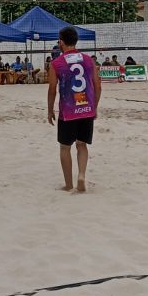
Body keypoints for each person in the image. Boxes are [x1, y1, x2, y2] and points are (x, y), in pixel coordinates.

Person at [48, 27, 101, 193]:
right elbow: (98, 85)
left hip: (68, 111)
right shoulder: (88, 60)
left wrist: (50, 110)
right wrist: (94, 107)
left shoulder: (56, 63)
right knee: (82, 144)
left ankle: (69, 185)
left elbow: (52, 89)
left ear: (61, 42)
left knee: (65, 147)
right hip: (86, 108)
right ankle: (82, 175)